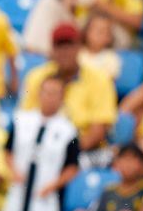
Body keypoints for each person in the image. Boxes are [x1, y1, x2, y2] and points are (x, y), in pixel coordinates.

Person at [19, 22, 117, 160]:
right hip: (42, 148)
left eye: (70, 45)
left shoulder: (99, 79)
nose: (65, 51)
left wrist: (66, 155)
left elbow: (97, 131)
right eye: (60, 46)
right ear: (52, 49)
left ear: (79, 47)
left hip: (81, 150)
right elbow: (26, 119)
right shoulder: (36, 77)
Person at [3, 76, 80, 211]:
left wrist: (53, 186)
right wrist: (14, 171)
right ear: (39, 93)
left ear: (63, 98)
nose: (50, 98)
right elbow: (7, 150)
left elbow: (73, 166)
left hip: (45, 197)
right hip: (18, 191)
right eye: (47, 92)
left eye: (55, 93)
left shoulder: (68, 130)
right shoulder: (21, 120)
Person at [72, 143, 143, 211]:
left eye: (133, 159)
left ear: (142, 164)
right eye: (124, 158)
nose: (128, 164)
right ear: (116, 163)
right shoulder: (109, 191)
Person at [79, 12, 122, 79]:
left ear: (109, 37)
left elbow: (109, 81)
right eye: (95, 29)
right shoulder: (78, 53)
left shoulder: (111, 58)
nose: (98, 34)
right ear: (86, 31)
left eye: (102, 31)